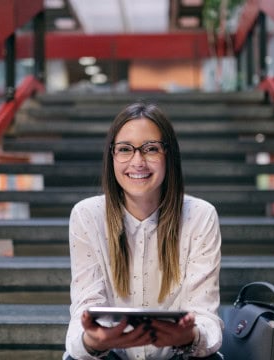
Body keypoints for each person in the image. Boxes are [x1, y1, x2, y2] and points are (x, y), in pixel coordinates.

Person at [64, 101, 223, 359]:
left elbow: (206, 317)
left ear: (168, 155)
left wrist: (191, 336)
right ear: (112, 156)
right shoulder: (87, 215)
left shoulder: (201, 216)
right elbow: (85, 307)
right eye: (125, 149)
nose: (138, 162)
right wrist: (93, 341)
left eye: (150, 149)